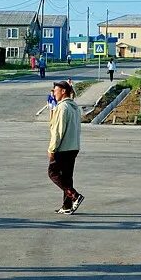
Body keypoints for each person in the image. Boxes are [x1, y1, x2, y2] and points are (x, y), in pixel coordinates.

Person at [48, 80, 84, 214]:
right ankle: (67, 206)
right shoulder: (74, 106)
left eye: (55, 91)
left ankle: (75, 195)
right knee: (67, 177)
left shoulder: (62, 107)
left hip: (63, 148)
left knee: (53, 173)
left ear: (63, 91)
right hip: (74, 146)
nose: (53, 93)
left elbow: (58, 130)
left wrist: (52, 148)